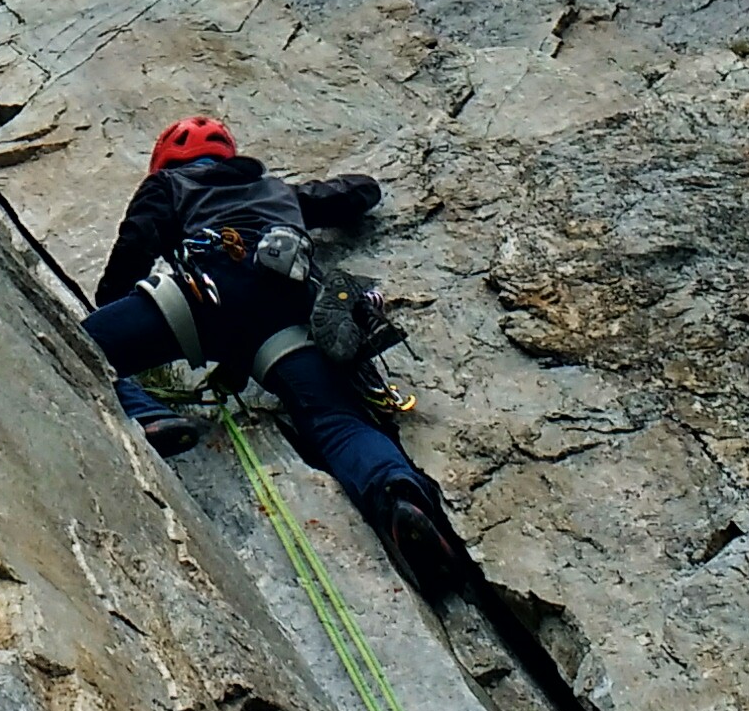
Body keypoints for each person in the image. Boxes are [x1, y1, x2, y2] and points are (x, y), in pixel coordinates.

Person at [83, 114, 476, 599]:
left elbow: (135, 245)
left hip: (203, 298)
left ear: (165, 158)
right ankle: (395, 491)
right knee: (338, 420)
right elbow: (357, 193)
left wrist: (111, 306)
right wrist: (357, 188)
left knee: (82, 346)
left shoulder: (167, 184)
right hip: (287, 312)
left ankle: (146, 415)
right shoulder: (277, 190)